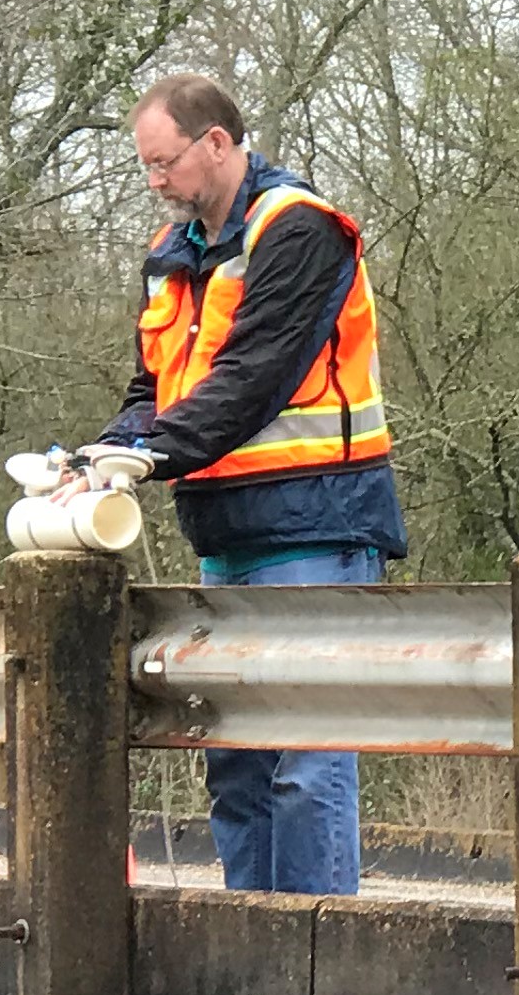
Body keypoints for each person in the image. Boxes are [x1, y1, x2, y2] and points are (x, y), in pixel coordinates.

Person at [112, 70, 404, 895]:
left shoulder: (298, 229)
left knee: (305, 763)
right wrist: (105, 456)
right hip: (229, 531)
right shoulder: (172, 259)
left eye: (164, 162)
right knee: (235, 761)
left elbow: (256, 376)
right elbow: (153, 391)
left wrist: (153, 454)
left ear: (216, 143)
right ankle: (253, 945)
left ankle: (318, 952)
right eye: (146, 166)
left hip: (315, 526)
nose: (155, 181)